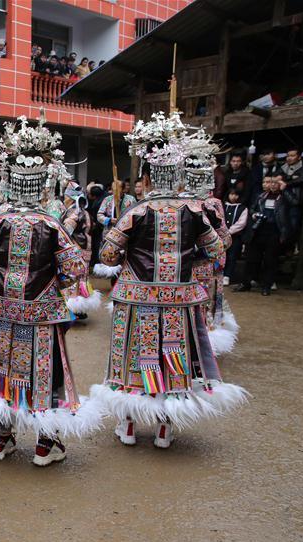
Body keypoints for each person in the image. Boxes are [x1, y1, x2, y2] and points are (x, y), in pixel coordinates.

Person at [91, 111, 247, 449]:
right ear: (178, 177)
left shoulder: (136, 212)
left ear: (147, 179)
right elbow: (218, 249)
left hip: (137, 298)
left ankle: (128, 425)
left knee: (134, 356)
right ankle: (165, 427)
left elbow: (106, 256)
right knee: (171, 356)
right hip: (180, 298)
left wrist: (129, 257)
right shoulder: (193, 212)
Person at [0, 116, 100, 466]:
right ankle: (44, 444)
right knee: (44, 372)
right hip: (40, 312)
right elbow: (75, 268)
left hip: (0, 310)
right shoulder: (51, 225)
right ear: (42, 185)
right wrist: (54, 284)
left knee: (2, 369)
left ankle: (0, 439)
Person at [182, 128, 237, 355]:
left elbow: (223, 238)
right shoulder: (203, 203)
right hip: (194, 260)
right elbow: (224, 239)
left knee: (199, 300)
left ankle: (196, 338)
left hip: (195, 261)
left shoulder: (209, 204)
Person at [236, 175, 298, 296]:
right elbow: (252, 208)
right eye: (271, 182)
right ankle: (246, 283)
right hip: (259, 229)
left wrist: (285, 189)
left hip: (275, 231)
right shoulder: (261, 196)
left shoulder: (285, 196)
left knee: (270, 260)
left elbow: (295, 202)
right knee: (252, 258)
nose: (273, 185)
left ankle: (266, 286)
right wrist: (254, 215)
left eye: (276, 183)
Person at [61, 187, 101, 318]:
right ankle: (80, 309)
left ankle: (74, 310)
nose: (64, 199)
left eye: (66, 196)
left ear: (71, 198)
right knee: (82, 278)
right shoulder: (85, 212)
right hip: (85, 249)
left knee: (72, 279)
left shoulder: (74, 212)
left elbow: (65, 232)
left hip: (75, 250)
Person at [223, 188, 248, 286]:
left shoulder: (243, 208)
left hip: (235, 237)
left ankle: (227, 275)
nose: (234, 197)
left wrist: (229, 231)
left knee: (232, 256)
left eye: (236, 195)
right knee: (222, 255)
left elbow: (241, 223)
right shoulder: (222, 206)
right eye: (232, 194)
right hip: (221, 236)